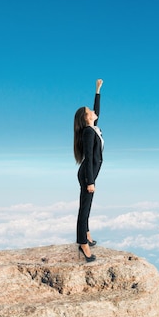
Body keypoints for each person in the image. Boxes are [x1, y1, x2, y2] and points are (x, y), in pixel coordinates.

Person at [73, 78, 104, 262]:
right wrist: (90, 181)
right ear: (86, 118)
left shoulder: (94, 128)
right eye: (89, 112)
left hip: (89, 173)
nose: (93, 112)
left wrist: (97, 90)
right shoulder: (87, 132)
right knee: (84, 207)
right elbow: (90, 158)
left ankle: (87, 233)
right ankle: (82, 243)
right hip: (87, 175)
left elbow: (97, 111)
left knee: (88, 205)